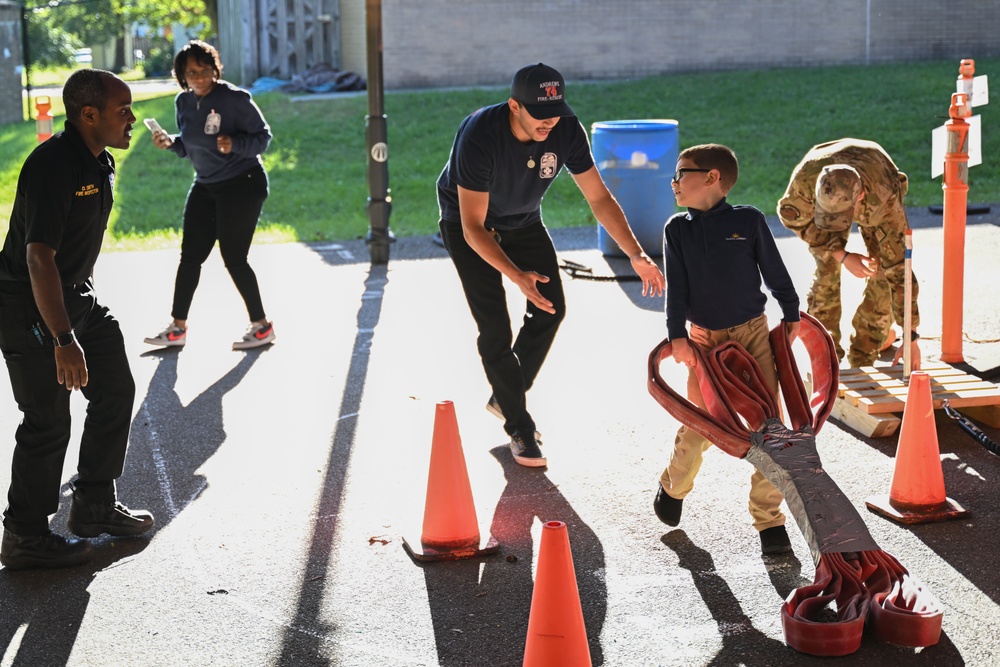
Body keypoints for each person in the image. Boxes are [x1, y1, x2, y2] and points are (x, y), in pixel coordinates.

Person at [437, 63, 664, 468]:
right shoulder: (479, 135)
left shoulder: (565, 129)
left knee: (551, 308)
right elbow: (473, 226)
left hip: (522, 220)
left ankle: (506, 394)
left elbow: (598, 197)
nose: (550, 121)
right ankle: (520, 427)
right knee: (495, 327)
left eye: (556, 110)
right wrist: (515, 275)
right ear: (514, 106)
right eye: (540, 114)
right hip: (469, 224)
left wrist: (636, 253)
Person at [0, 69, 154, 570]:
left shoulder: (100, 160)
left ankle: (92, 506)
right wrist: (63, 339)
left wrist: (74, 322)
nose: (131, 118)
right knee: (47, 421)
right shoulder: (52, 166)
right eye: (122, 110)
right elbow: (37, 258)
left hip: (76, 299)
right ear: (89, 115)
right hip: (29, 305)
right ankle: (23, 535)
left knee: (115, 389)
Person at [656, 144, 800, 555]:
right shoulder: (676, 230)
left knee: (769, 426)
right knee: (702, 423)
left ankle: (769, 521)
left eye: (682, 174)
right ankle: (673, 485)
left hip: (752, 335)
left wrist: (791, 313)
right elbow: (677, 288)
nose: (674, 182)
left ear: (712, 178)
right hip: (703, 341)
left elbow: (774, 271)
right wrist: (676, 335)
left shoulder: (748, 221)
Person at [143, 39, 276, 351]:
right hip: (205, 184)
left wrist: (236, 145)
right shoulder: (183, 103)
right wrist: (170, 143)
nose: (200, 77)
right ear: (182, 75)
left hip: (243, 183)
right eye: (193, 72)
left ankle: (262, 326)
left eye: (206, 70)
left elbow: (263, 137)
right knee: (190, 256)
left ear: (216, 70)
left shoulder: (234, 99)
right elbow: (190, 146)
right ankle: (177, 328)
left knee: (234, 258)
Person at [777, 138, 920, 369]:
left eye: (841, 216)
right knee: (827, 270)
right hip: (827, 182)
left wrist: (911, 335)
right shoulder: (805, 183)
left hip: (876, 189)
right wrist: (840, 254)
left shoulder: (885, 199)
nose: (837, 223)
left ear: (860, 197)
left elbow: (899, 269)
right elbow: (797, 222)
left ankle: (864, 355)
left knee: (882, 275)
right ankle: (824, 355)